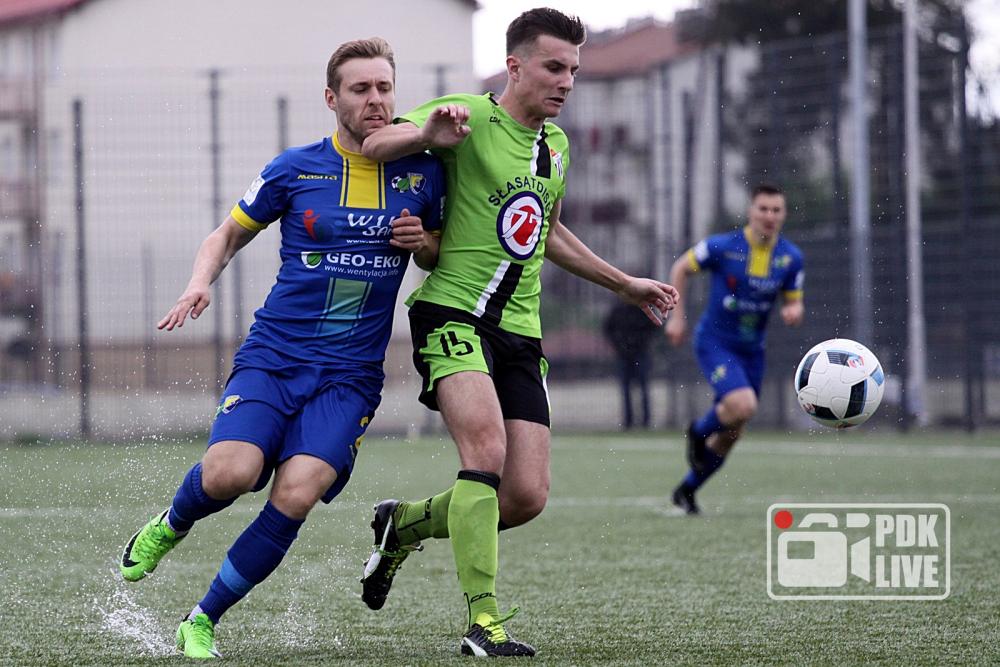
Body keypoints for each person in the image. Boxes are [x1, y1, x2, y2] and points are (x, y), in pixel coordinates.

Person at [356, 8, 678, 658]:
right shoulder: (468, 115)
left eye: (574, 71)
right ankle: (484, 622)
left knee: (525, 495)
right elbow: (375, 145)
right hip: (452, 312)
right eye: (554, 67)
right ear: (515, 66)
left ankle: (403, 526)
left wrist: (624, 283)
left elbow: (548, 230)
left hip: (520, 332)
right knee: (486, 450)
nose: (567, 82)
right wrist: (429, 134)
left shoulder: (556, 147)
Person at [116, 38, 445, 659]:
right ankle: (171, 524)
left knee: (295, 494)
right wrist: (197, 283)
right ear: (332, 99)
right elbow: (225, 235)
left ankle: (201, 619)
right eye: (360, 88)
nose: (375, 100)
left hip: (350, 375)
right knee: (231, 474)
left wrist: (422, 243)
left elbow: (439, 254)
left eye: (384, 87)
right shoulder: (295, 168)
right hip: (276, 356)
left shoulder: (424, 172)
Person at [665, 184, 804, 515]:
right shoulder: (722, 247)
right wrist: (676, 318)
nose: (769, 216)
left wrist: (793, 310)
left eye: (776, 210)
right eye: (763, 209)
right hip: (715, 342)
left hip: (752, 351)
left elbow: (794, 301)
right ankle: (698, 433)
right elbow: (680, 268)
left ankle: (687, 490)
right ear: (751, 212)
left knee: (733, 431)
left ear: (784, 215)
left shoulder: (791, 258)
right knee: (743, 405)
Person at [603, 299, 660, 430]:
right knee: (626, 389)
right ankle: (628, 421)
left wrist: (643, 342)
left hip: (641, 353)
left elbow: (654, 326)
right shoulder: (618, 310)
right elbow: (608, 328)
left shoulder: (643, 309)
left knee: (643, 387)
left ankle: (646, 421)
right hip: (623, 355)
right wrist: (619, 345)